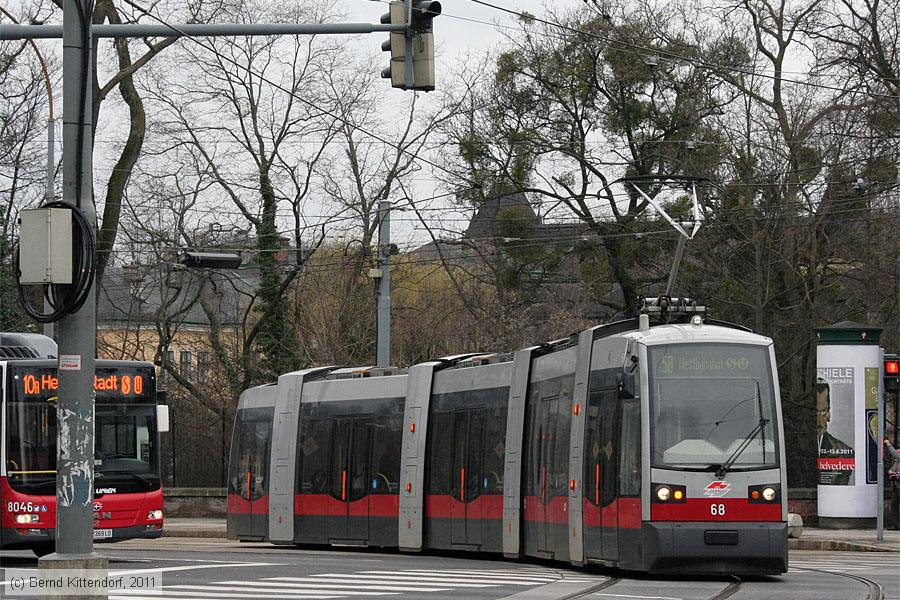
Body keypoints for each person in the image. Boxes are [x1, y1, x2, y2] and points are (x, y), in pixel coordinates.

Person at [816, 378, 853, 485]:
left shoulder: (844, 452)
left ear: (829, 414)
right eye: (816, 412)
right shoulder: (794, 447)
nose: (819, 420)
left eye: (823, 411)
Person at [885, 438, 900, 530]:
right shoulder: (897, 462)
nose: (897, 453)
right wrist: (891, 472)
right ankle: (896, 525)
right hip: (896, 486)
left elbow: (895, 454)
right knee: (894, 505)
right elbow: (890, 470)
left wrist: (888, 444)